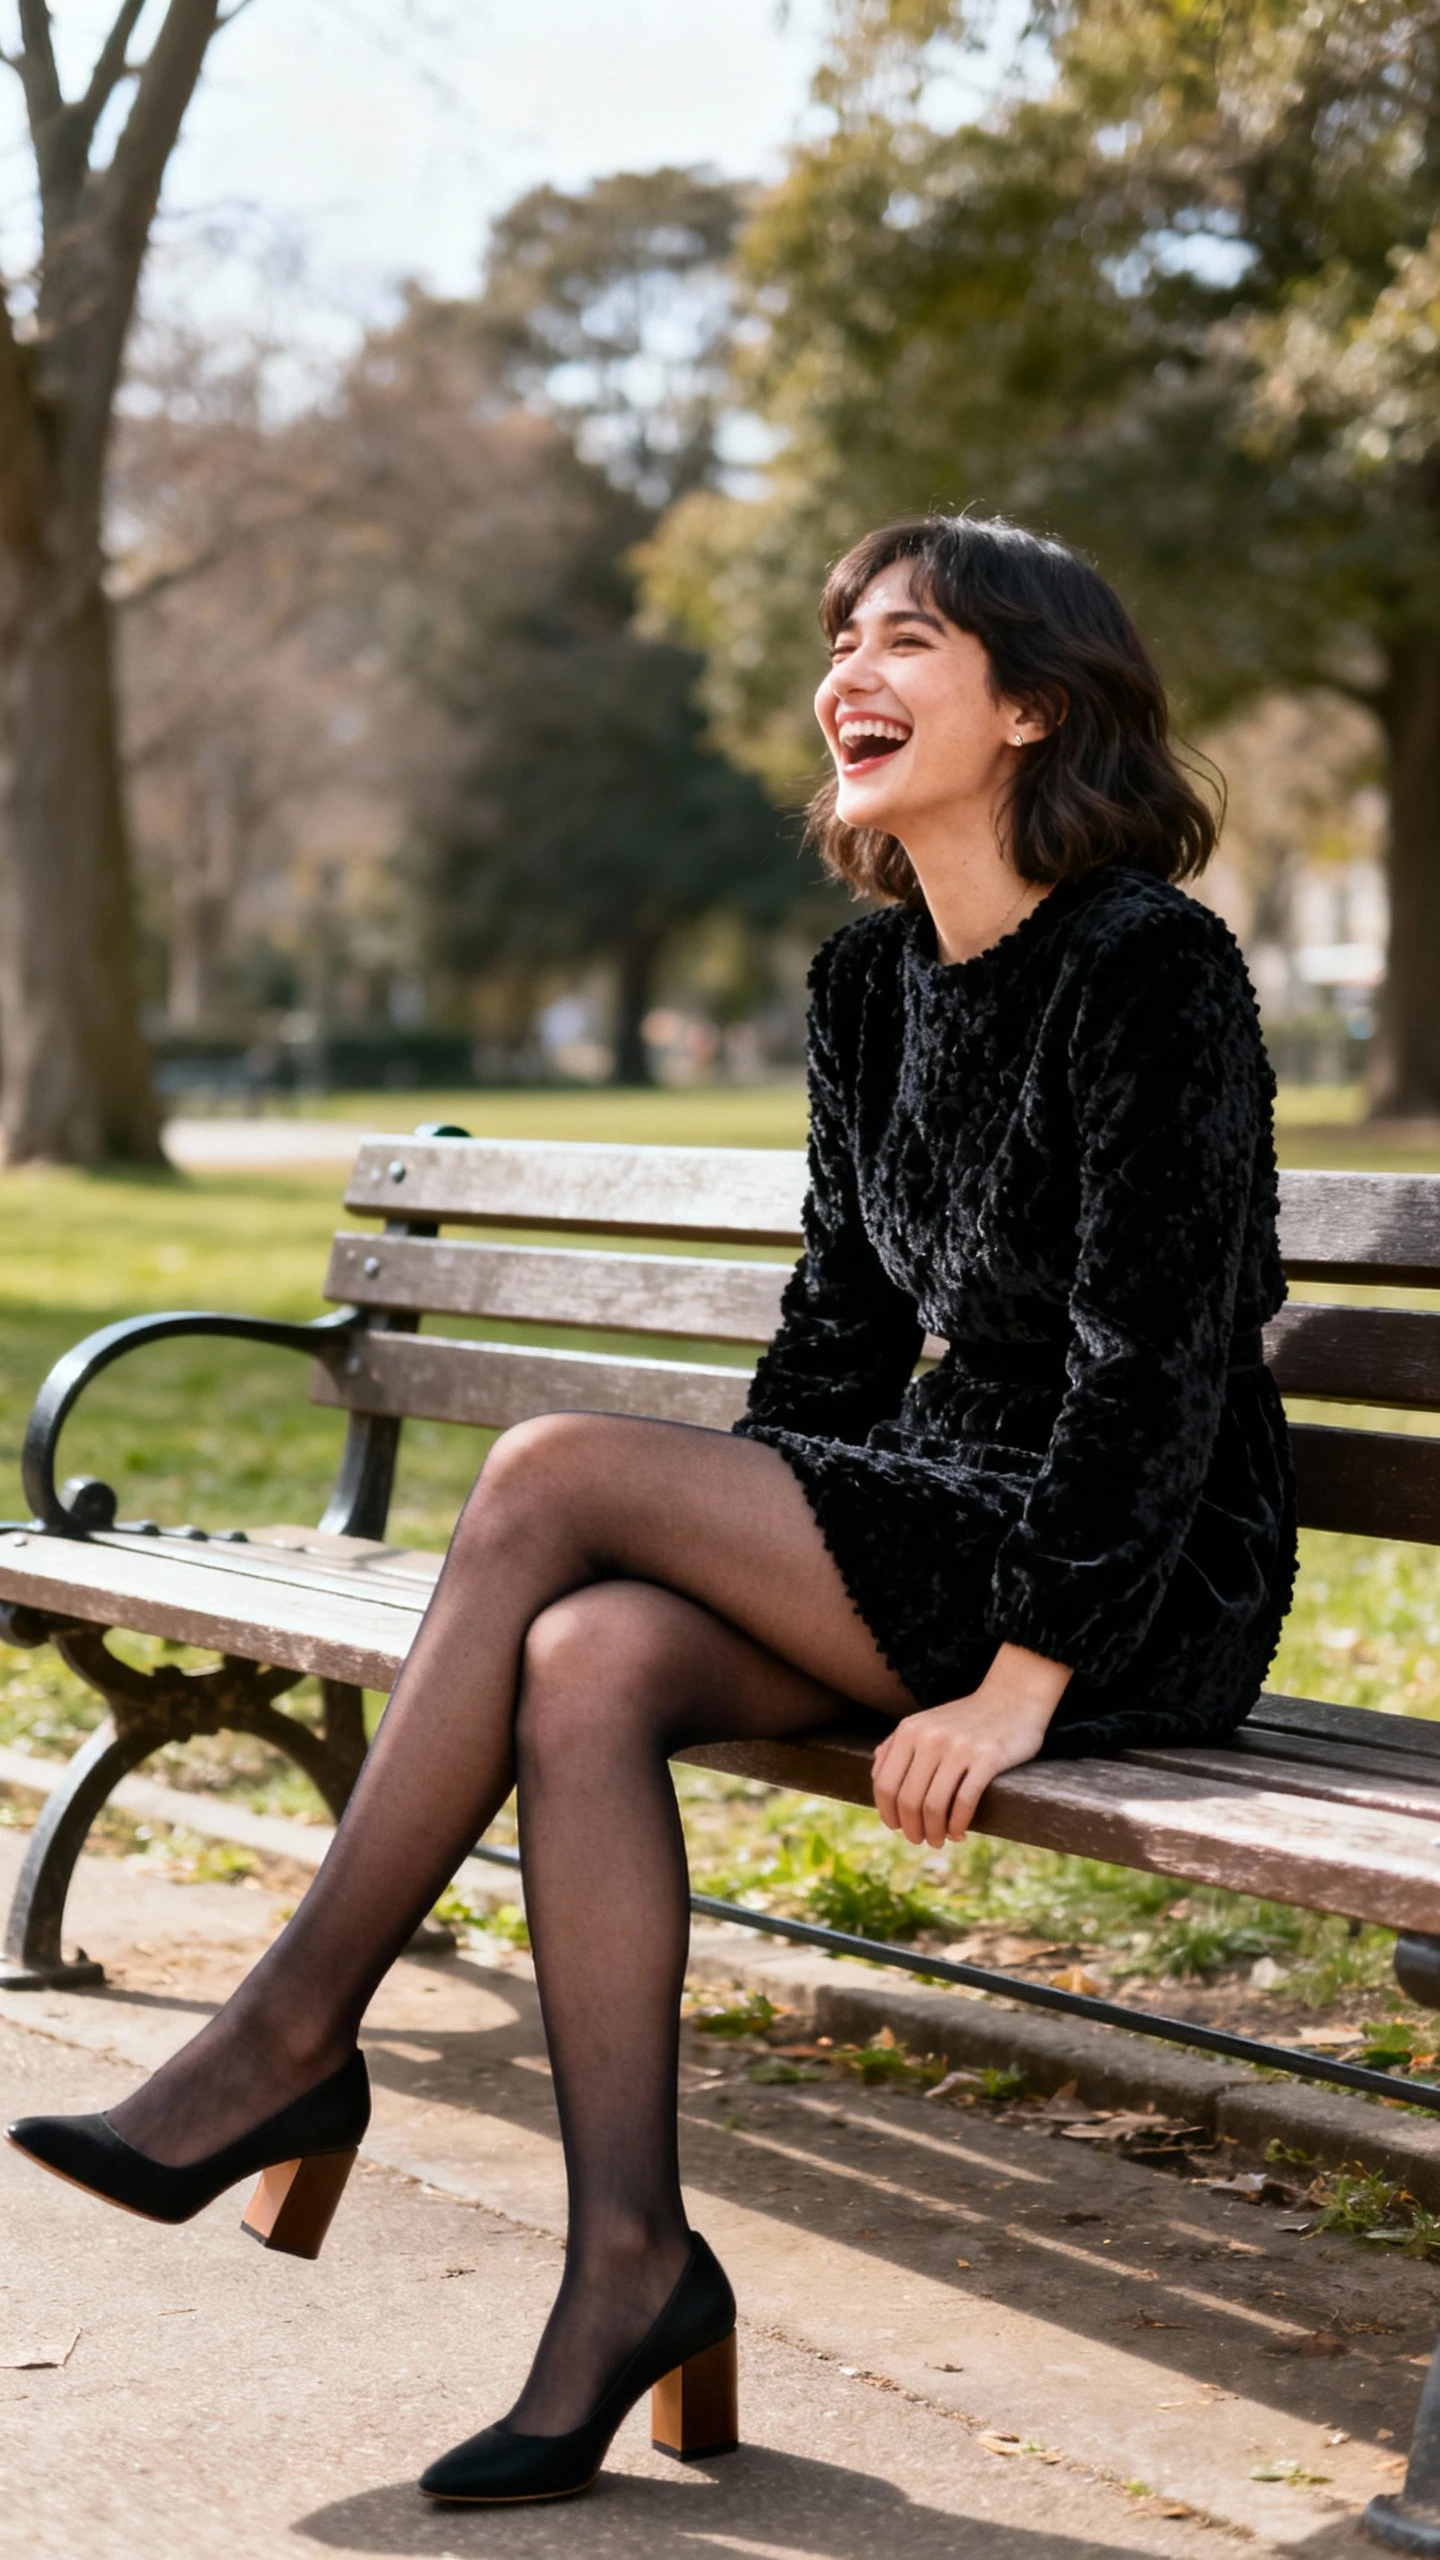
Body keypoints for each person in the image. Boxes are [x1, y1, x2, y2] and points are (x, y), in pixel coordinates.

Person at [7, 512, 1296, 2505]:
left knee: (550, 1471)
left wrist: (1034, 1667)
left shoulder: (1153, 969)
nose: (849, 677)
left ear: (1034, 703)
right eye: (841, 638)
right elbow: (838, 1345)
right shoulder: (871, 983)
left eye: (912, 642)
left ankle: (282, 2038)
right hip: (938, 1509)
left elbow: (1159, 1366)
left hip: (1129, 1571)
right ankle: (631, 2264)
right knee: (587, 1645)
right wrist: (745, 1503)